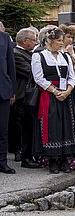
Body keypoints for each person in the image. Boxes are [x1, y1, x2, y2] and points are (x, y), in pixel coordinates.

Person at [31, 27, 75, 174]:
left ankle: (65, 159)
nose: (61, 43)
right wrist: (55, 91)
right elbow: (38, 78)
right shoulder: (39, 56)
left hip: (66, 95)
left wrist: (68, 91)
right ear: (49, 41)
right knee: (52, 126)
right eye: (59, 40)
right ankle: (53, 160)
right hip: (49, 95)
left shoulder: (64, 56)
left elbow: (71, 76)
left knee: (67, 125)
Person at [11, 28, 41, 169]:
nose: (35, 42)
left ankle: (30, 154)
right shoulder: (16, 54)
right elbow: (30, 71)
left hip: (29, 95)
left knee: (30, 126)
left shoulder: (30, 53)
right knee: (24, 128)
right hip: (23, 96)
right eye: (33, 40)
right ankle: (25, 156)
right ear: (25, 41)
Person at [0, 28, 16, 174]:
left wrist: (13, 90)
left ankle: (2, 162)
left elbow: (11, 65)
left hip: (3, 91)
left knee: (2, 130)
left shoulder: (5, 38)